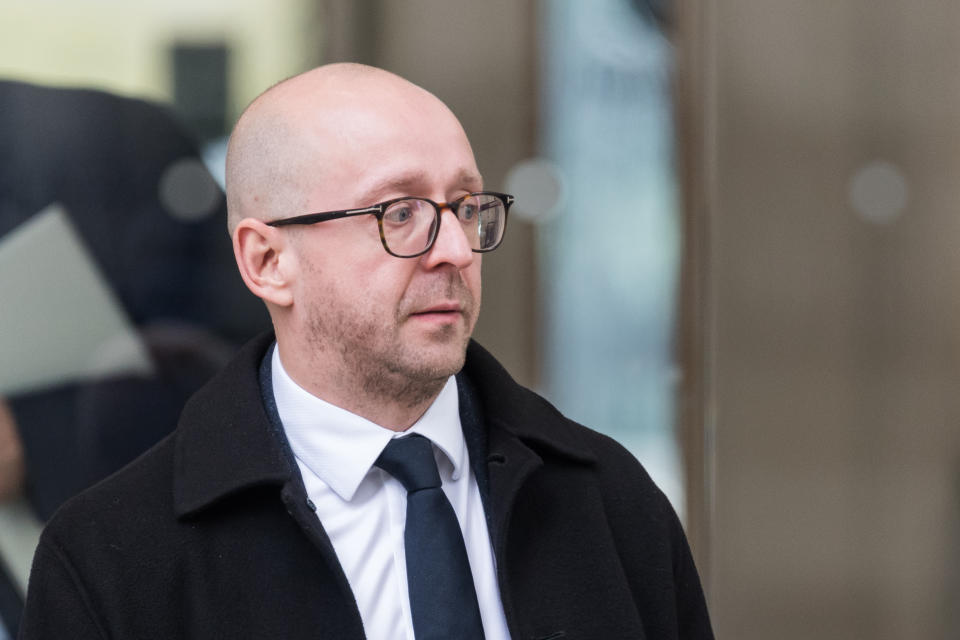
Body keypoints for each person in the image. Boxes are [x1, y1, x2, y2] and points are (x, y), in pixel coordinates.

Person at [18, 63, 714, 639]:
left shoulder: (609, 504)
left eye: (467, 207)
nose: (453, 250)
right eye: (398, 213)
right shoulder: (115, 560)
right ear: (267, 261)